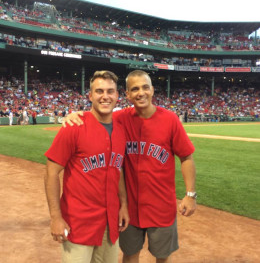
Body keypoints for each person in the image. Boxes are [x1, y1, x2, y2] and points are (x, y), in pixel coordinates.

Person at [63, 70, 196, 263]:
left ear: (152, 90)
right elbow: (96, 115)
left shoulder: (170, 119)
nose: (140, 92)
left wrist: (190, 194)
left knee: (162, 256)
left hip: (161, 206)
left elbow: (186, 157)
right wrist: (76, 115)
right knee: (130, 254)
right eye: (135, 89)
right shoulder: (120, 119)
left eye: (145, 87)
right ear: (127, 94)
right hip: (129, 208)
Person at [44, 70, 130, 263]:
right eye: (99, 91)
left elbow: (119, 170)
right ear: (90, 96)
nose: (105, 96)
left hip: (110, 222)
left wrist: (124, 204)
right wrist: (55, 217)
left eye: (110, 91)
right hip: (78, 224)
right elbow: (51, 172)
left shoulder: (121, 131)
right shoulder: (74, 127)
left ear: (117, 96)